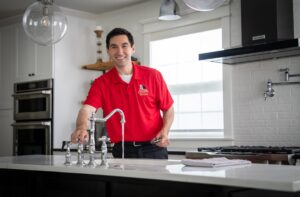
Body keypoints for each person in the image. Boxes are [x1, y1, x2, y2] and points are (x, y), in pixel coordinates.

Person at [71, 27, 174, 159]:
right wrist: (81, 127)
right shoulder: (101, 83)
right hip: (123, 151)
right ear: (108, 51)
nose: (120, 52)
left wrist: (165, 131)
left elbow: (168, 109)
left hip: (154, 148)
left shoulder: (153, 76)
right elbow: (87, 109)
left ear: (133, 49)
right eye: (114, 47)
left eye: (124, 46)